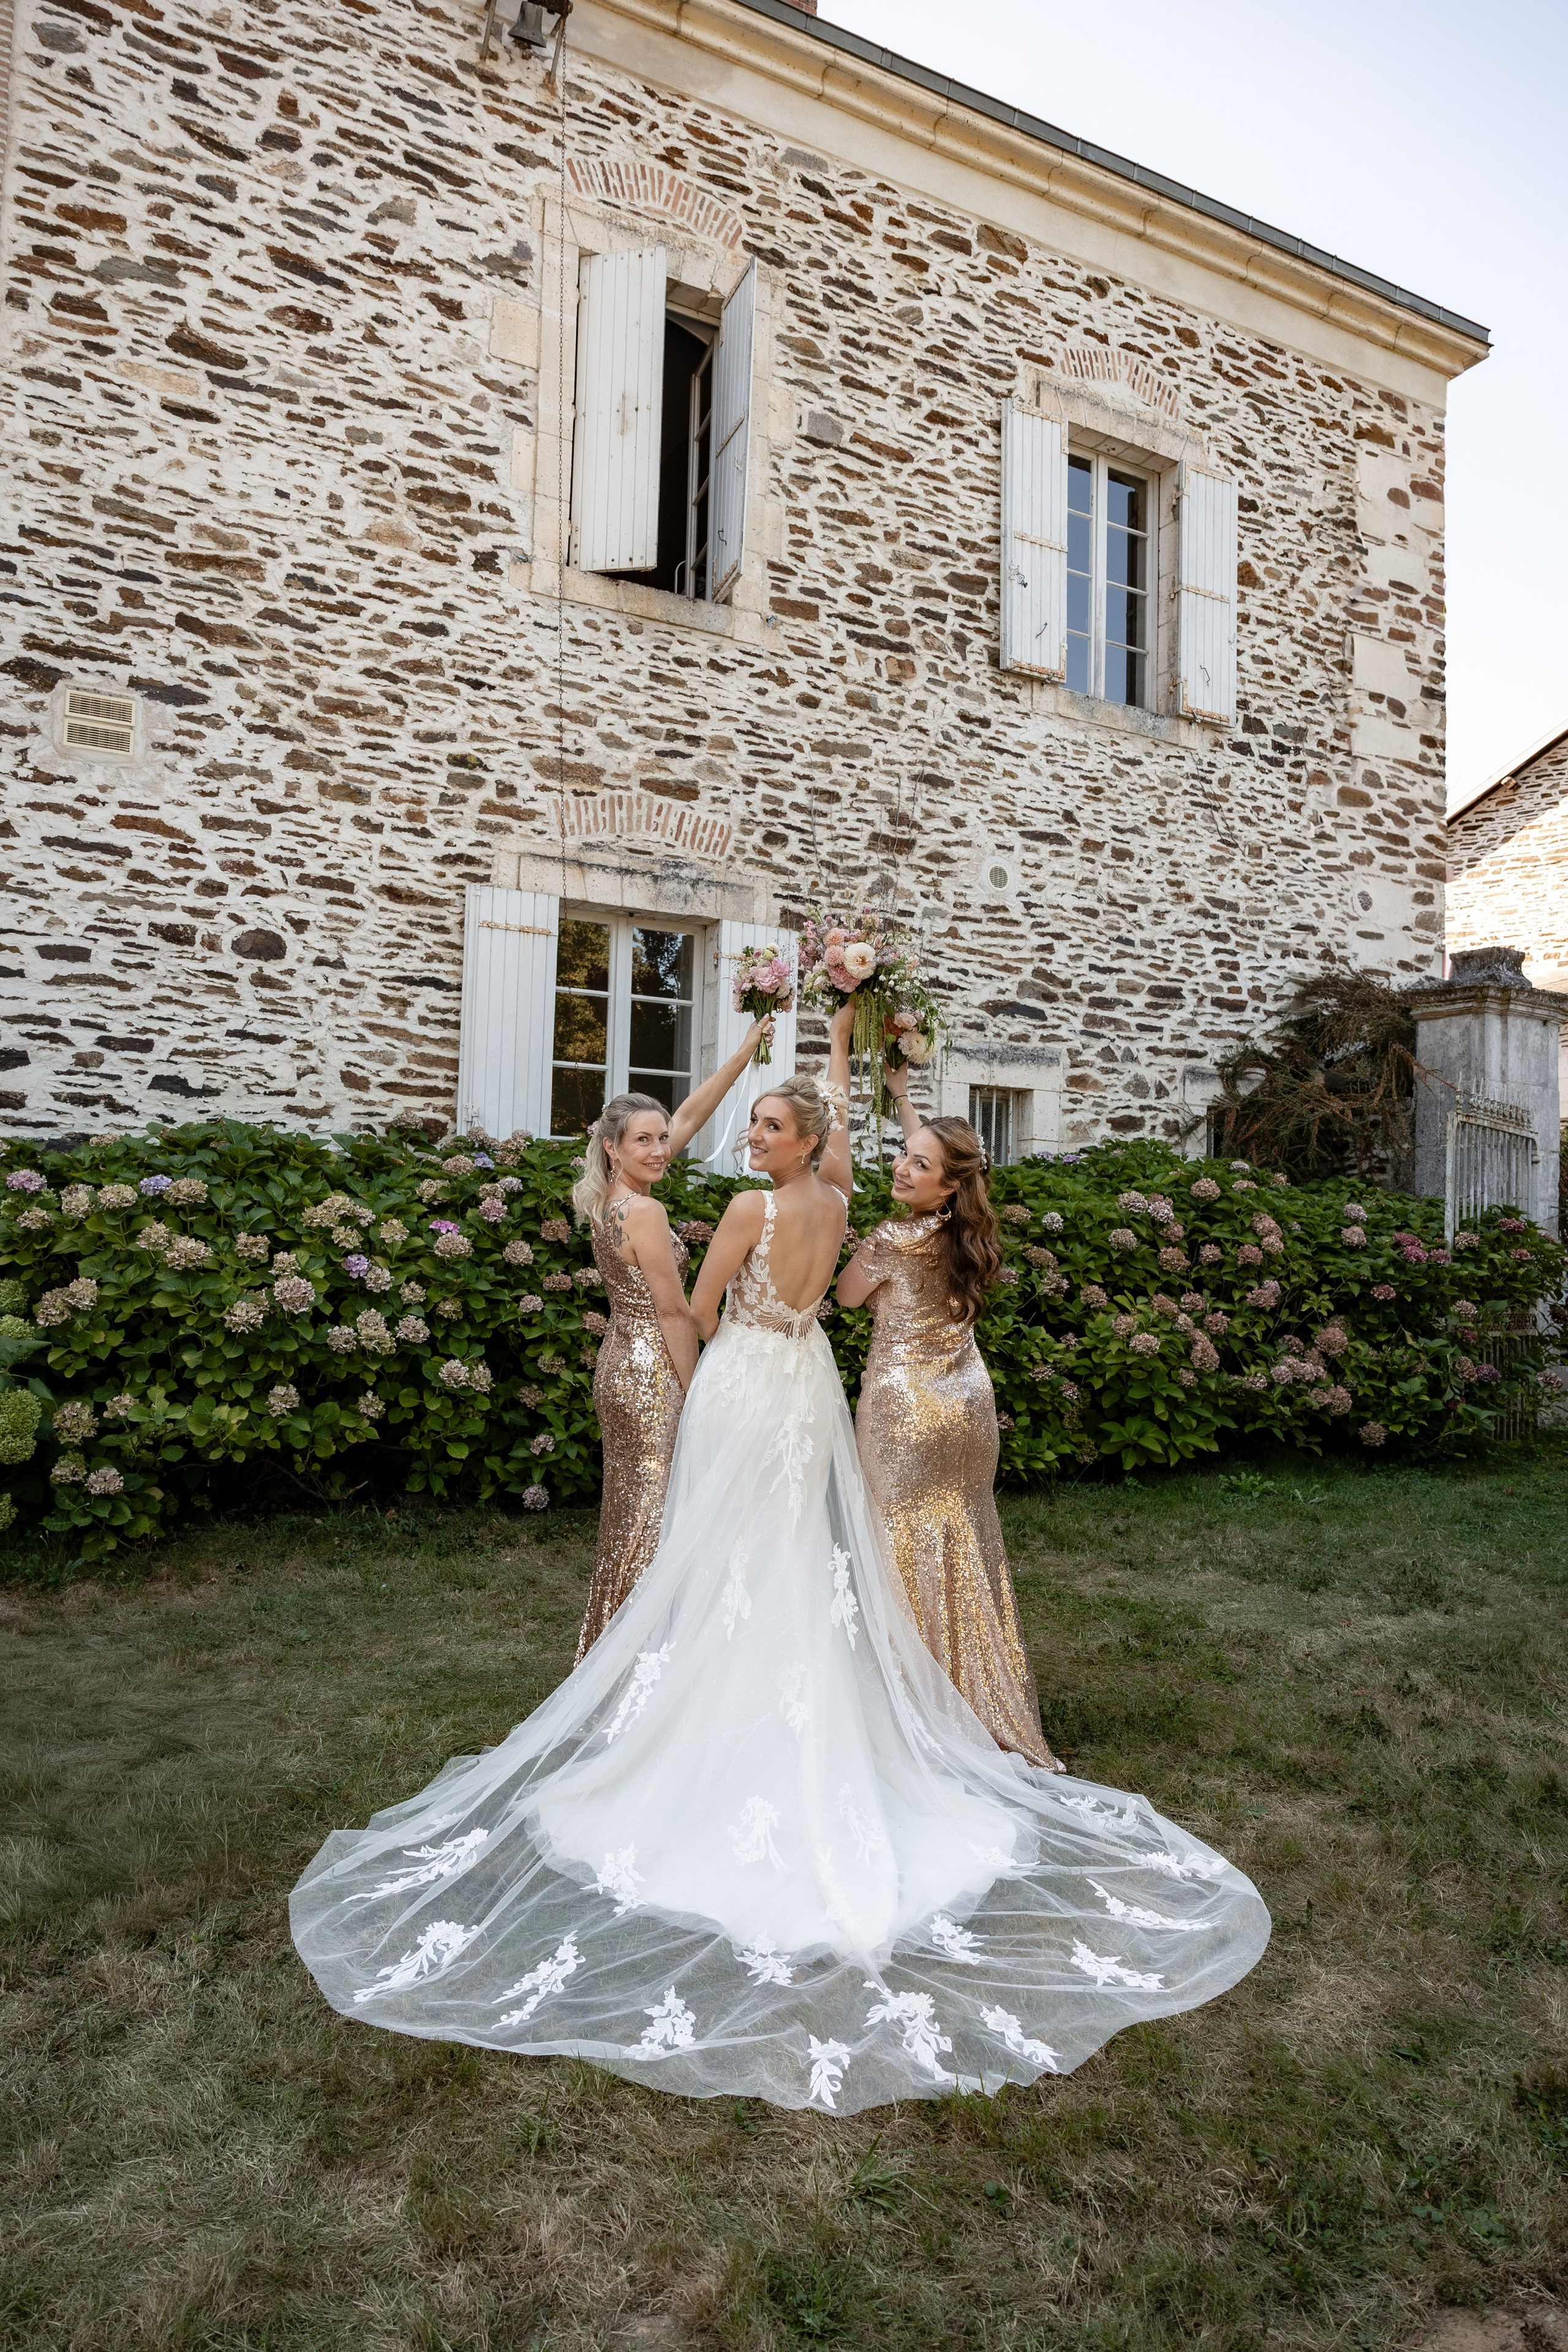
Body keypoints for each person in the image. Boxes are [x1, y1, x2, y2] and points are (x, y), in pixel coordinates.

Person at [291, 1042, 1270, 2116]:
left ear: (801, 1141)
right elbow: (831, 1268)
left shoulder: (754, 1215)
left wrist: (678, 1307)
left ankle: (713, 1734)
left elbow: (701, 1314)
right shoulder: (842, 1205)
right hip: (806, 1383)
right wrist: (839, 1063)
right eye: (754, 1126)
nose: (748, 1140)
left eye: (766, 1128)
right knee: (798, 1560)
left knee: (731, 1560)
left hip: (749, 1384)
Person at [837, 1074, 1057, 1769]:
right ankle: (976, 1687)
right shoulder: (965, 1236)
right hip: (966, 1404)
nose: (903, 1167)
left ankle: (910, 1699)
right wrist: (906, 1098)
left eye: (918, 1164)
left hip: (905, 1409)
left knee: (900, 1548)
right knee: (963, 1540)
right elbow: (937, 1152)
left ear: (947, 1185)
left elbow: (843, 1299)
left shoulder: (894, 1239)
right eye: (904, 1155)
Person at [570, 1019, 774, 1662]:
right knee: (657, 1519)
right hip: (654, 1374)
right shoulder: (647, 1212)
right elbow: (673, 1313)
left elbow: (688, 1112)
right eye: (644, 1142)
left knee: (633, 1514)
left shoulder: (611, 1200)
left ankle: (616, 1652)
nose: (660, 1150)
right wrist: (701, 1389)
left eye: (662, 1139)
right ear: (612, 1147)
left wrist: (742, 1052)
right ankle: (642, 1663)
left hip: (619, 1368)